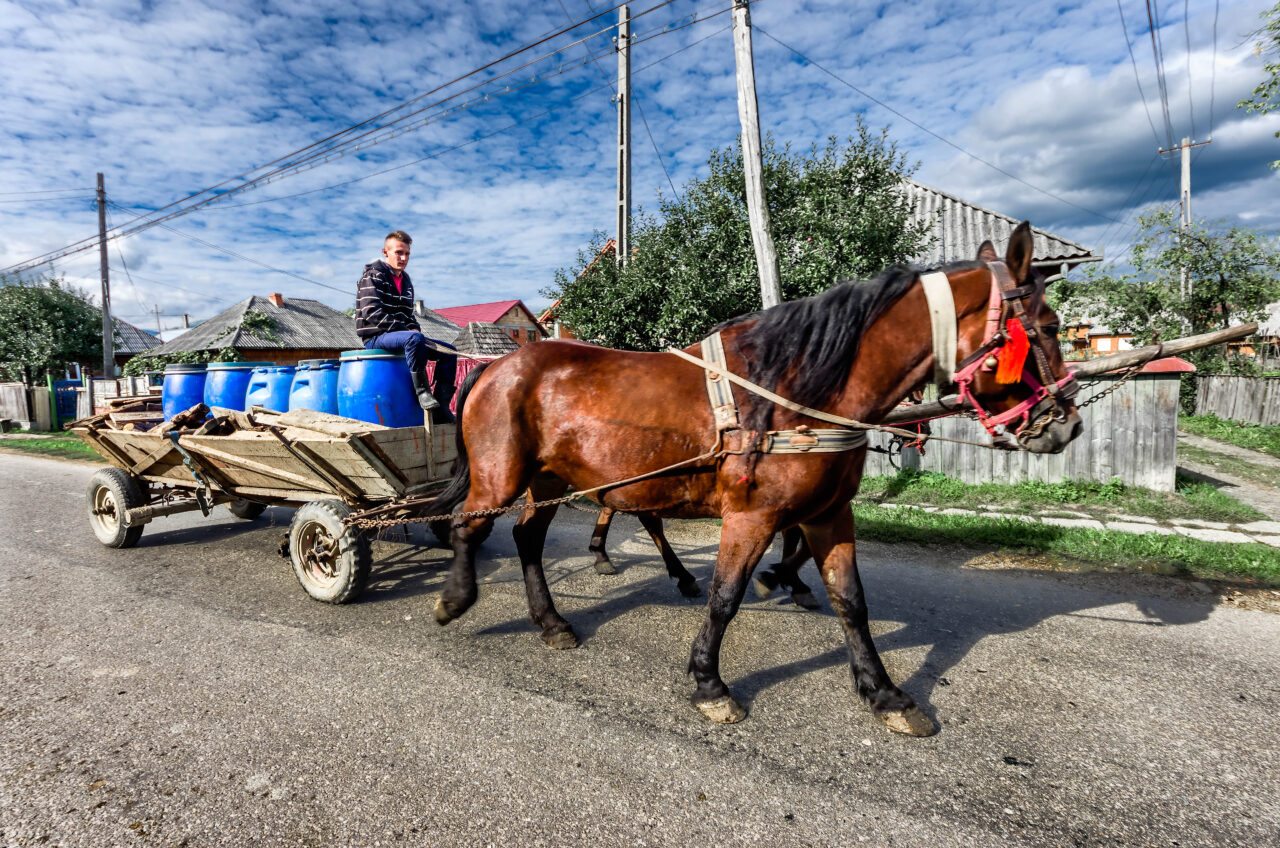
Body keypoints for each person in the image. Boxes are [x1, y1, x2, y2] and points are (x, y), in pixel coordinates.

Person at [354, 230, 457, 424]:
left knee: (449, 352)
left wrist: (414, 328)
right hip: (377, 337)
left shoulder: (406, 280)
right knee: (413, 338)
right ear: (386, 252)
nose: (403, 258)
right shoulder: (373, 276)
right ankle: (422, 393)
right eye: (398, 253)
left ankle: (442, 407)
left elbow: (408, 315)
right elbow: (371, 312)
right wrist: (406, 330)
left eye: (407, 254)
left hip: (404, 337)